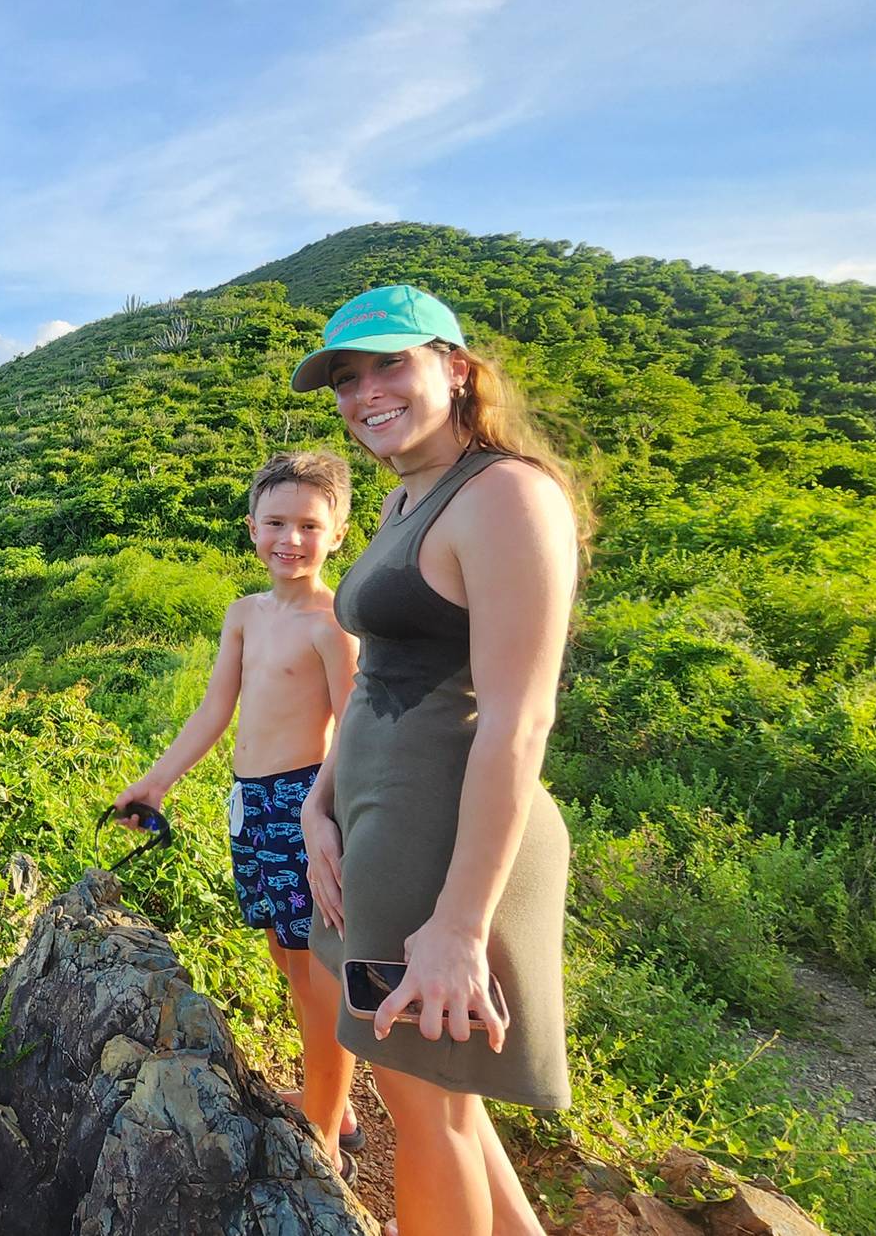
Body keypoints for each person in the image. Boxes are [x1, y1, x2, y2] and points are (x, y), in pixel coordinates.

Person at [290, 285, 585, 1236]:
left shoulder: (505, 495)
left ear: (455, 368)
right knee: (438, 1100)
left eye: (389, 365)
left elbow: (518, 720)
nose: (364, 391)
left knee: (429, 1118)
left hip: (442, 850)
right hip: (380, 831)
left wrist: (459, 926)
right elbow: (377, 674)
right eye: (346, 376)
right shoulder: (407, 494)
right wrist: (320, 805)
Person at [110, 449, 365, 1170]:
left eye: (309, 526)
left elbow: (355, 728)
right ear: (252, 527)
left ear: (337, 534)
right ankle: (333, 1101)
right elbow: (216, 709)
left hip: (304, 805)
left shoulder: (334, 623)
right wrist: (155, 783)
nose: (290, 539)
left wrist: (326, 817)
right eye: (276, 522)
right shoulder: (245, 614)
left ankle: (323, 1131)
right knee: (285, 959)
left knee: (318, 975)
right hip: (251, 804)